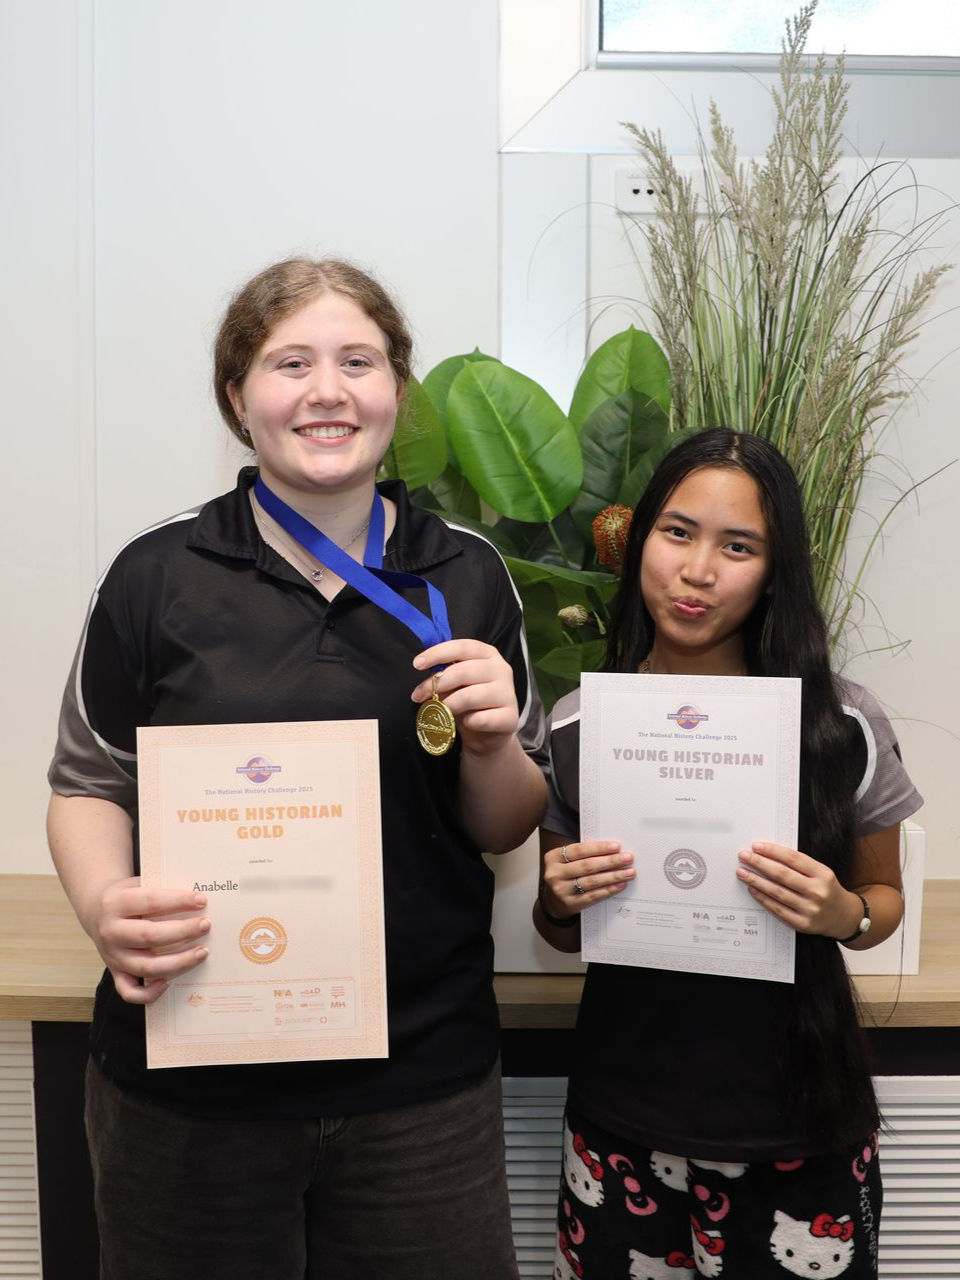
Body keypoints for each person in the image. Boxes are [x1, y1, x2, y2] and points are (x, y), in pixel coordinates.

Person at [47, 256, 547, 1280]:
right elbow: (88, 780)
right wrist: (105, 901)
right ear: (239, 397)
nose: (328, 389)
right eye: (291, 362)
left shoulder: (468, 576)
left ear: (398, 391)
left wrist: (494, 742)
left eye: (358, 360)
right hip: (189, 1079)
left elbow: (503, 825)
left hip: (421, 1083)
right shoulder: (155, 576)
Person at [534, 428, 921, 1280]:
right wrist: (560, 898)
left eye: (737, 546)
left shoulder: (840, 723)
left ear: (775, 568)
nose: (698, 570)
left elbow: (883, 900)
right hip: (623, 1118)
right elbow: (557, 927)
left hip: (799, 1123)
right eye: (677, 533)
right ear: (639, 544)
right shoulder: (578, 726)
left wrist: (842, 912)